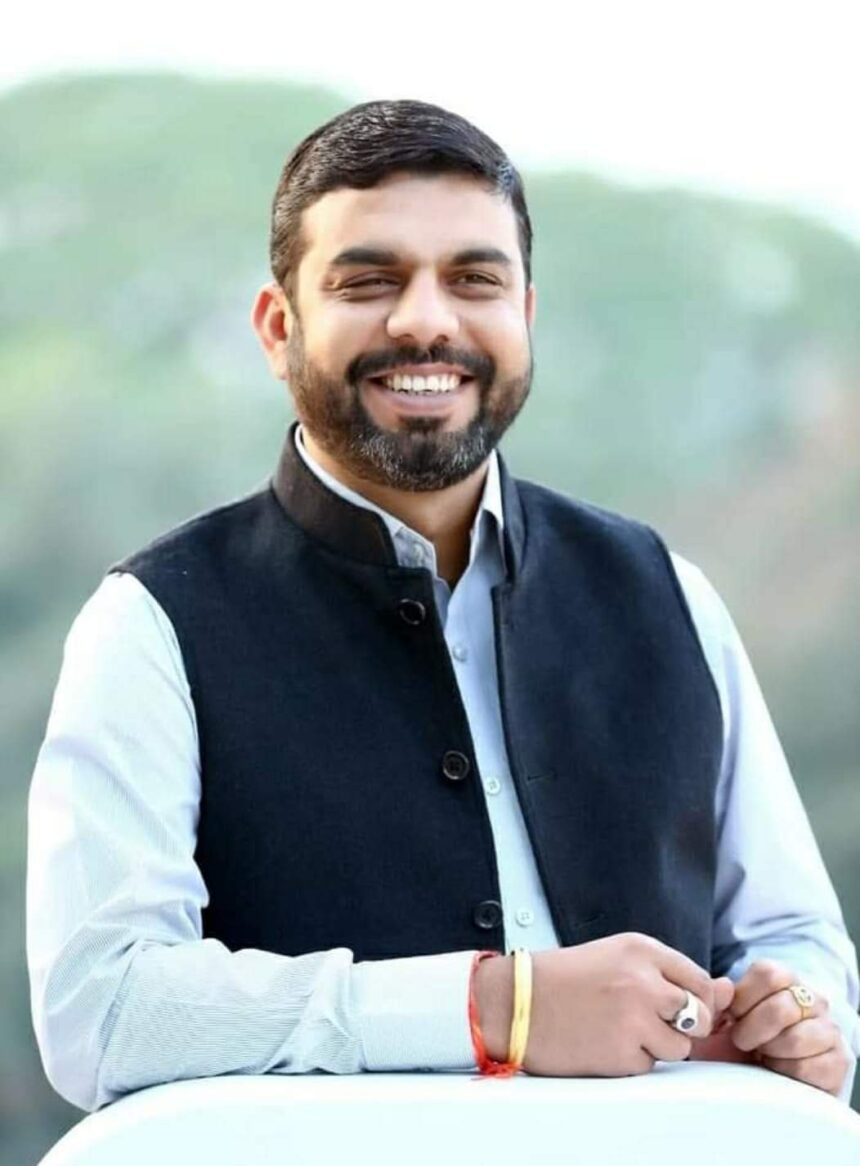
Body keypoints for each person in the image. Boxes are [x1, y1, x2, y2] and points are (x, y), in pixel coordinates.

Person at [26, 99, 859, 1114]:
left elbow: (796, 942)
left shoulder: (671, 594)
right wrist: (488, 1006)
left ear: (524, 316)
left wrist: (800, 1016)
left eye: (474, 279)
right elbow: (102, 1007)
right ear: (279, 328)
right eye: (368, 281)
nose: (426, 320)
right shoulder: (151, 622)